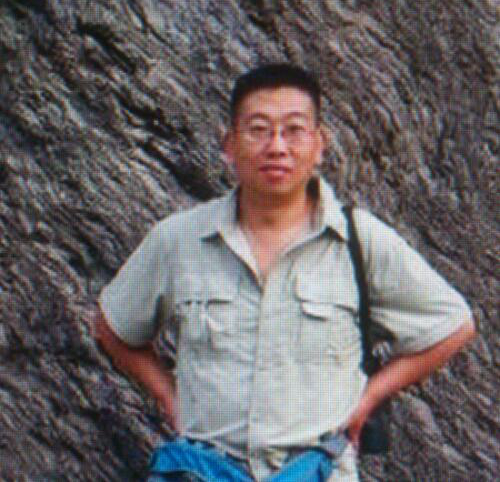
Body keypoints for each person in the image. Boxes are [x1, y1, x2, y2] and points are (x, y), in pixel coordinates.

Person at [94, 64, 476, 481]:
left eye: (294, 130)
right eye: (258, 130)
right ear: (229, 144)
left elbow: (452, 324)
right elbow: (113, 326)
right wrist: (168, 395)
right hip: (205, 471)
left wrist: (370, 396)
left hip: (317, 471)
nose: (276, 146)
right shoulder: (179, 240)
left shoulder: (358, 240)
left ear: (320, 144)